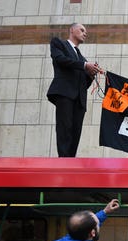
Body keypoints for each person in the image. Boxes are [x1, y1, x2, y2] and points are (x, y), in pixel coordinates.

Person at [47, 23, 103, 157]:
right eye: (82, 30)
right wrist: (84, 66)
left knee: (75, 133)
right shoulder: (58, 44)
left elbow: (84, 84)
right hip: (64, 94)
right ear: (72, 30)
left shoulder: (82, 58)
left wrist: (91, 74)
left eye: (85, 31)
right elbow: (61, 60)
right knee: (64, 130)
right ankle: (64, 163)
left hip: (79, 100)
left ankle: (71, 162)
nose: (85, 33)